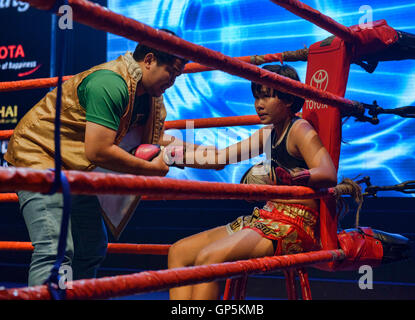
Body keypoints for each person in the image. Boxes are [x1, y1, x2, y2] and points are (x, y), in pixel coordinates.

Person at [4, 29, 191, 286]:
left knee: (91, 247)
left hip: (74, 166)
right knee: (54, 250)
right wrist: (152, 170)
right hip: (37, 155)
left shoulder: (147, 96)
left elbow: (154, 143)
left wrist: (216, 154)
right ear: (149, 60)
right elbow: (99, 151)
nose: (174, 81)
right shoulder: (111, 83)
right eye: (172, 72)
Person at [167, 64, 337, 300]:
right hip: (268, 215)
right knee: (180, 252)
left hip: (296, 224)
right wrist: (169, 153)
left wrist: (289, 177)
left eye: (266, 96)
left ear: (288, 98)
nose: (259, 104)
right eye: (257, 97)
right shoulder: (268, 134)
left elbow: (328, 172)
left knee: (209, 257)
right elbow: (219, 158)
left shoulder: (299, 128)